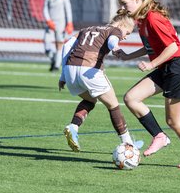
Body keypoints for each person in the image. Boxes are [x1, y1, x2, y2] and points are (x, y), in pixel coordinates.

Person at [114, 0, 180, 169]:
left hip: (177, 68)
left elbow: (172, 47)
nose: (123, 8)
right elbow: (151, 46)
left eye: (125, 3)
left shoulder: (153, 18)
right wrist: (127, 57)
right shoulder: (142, 20)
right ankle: (160, 136)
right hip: (166, 68)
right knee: (131, 98)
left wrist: (151, 64)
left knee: (174, 120)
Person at [58, 11, 143, 152]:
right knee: (113, 105)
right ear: (122, 24)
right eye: (127, 32)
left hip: (70, 69)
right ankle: (128, 143)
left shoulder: (87, 29)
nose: (126, 37)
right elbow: (112, 41)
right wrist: (115, 48)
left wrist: (62, 75)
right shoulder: (114, 30)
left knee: (90, 100)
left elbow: (67, 46)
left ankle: (73, 127)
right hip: (89, 70)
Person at [43, 0, 74, 72]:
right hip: (51, 24)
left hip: (61, 24)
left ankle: (56, 66)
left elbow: (68, 11)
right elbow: (45, 10)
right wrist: (48, 20)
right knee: (46, 43)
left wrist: (69, 23)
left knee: (59, 44)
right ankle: (53, 59)